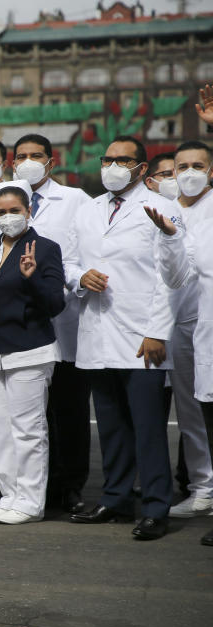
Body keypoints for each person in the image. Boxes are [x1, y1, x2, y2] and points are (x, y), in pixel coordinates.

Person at [65, 136, 175, 541]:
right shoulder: (89, 210)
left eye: (122, 160)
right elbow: (68, 260)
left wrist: (156, 331)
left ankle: (157, 506)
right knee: (110, 425)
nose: (112, 167)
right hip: (97, 331)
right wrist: (78, 277)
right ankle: (115, 498)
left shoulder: (162, 209)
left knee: (147, 426)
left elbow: (172, 277)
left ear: (142, 168)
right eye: (107, 159)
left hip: (143, 335)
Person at [0, 185, 66, 524]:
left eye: (14, 210)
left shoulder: (45, 249)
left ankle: (31, 501)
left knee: (28, 429)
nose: (8, 217)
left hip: (29, 351)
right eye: (1, 212)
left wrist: (32, 276)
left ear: (28, 211)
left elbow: (55, 303)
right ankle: (9, 496)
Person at [11, 133, 93, 514]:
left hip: (67, 322)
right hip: (21, 326)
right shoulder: (6, 201)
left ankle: (72, 485)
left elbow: (88, 251)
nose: (28, 162)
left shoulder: (75, 200)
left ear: (51, 161)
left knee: (69, 408)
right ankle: (35, 488)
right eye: (22, 156)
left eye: (36, 156)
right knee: (30, 415)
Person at [147, 138, 213, 546]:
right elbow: (174, 278)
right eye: (179, 167)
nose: (187, 174)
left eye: (196, 166)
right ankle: (203, 488)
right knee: (193, 414)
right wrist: (170, 237)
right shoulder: (167, 212)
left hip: (206, 321)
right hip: (186, 325)